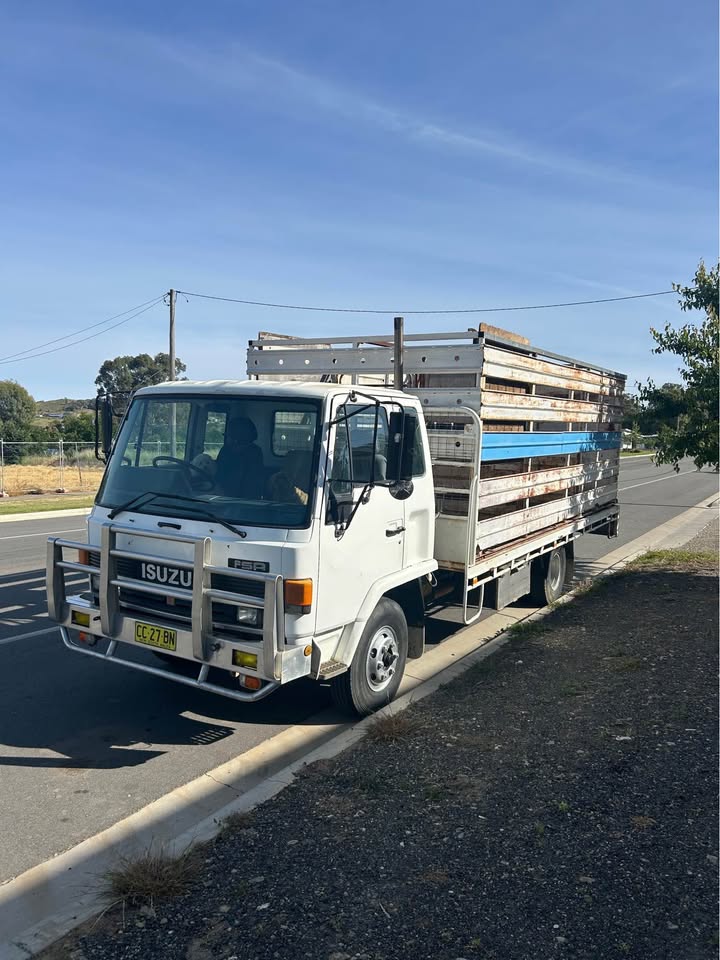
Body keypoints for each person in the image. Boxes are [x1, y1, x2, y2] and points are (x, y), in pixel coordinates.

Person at [215, 416, 263, 498]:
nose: (228, 440)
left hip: (245, 502)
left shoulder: (254, 453)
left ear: (237, 439)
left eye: (229, 436)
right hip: (222, 498)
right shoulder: (225, 451)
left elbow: (253, 484)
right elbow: (218, 474)